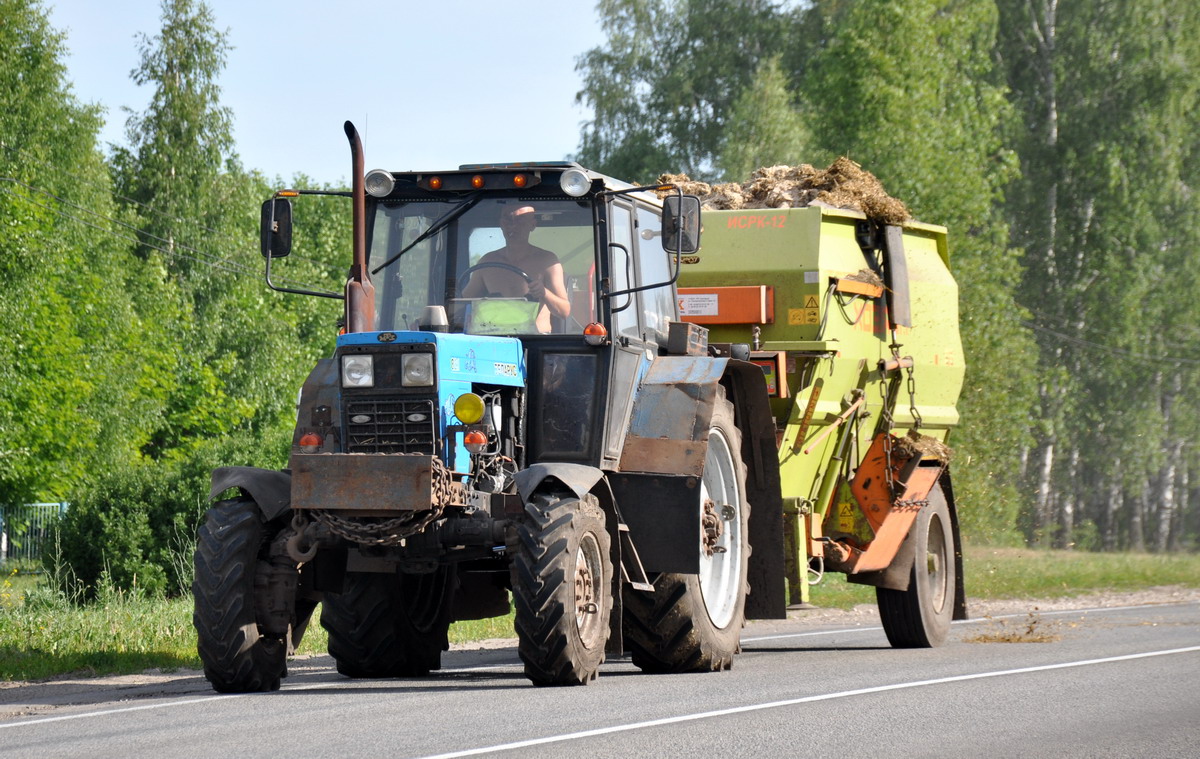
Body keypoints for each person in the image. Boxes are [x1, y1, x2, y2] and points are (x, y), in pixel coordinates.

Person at [461, 205, 570, 333]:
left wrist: (544, 293)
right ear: (501, 224)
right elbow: (463, 303)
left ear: (533, 225)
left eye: (520, 220)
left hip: (536, 341)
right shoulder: (487, 262)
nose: (512, 226)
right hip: (492, 340)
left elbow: (564, 311)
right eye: (507, 220)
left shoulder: (548, 261)